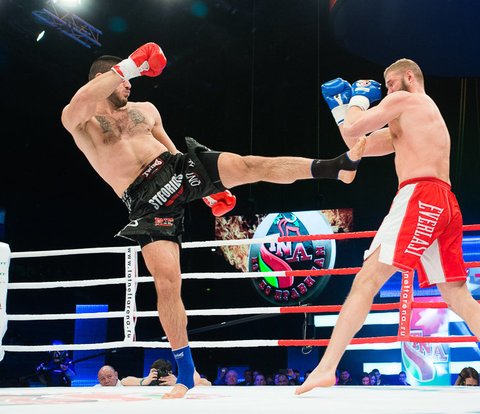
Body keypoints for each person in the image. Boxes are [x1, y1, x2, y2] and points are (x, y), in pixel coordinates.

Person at [61, 42, 364, 399]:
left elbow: (172, 150)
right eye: (125, 78)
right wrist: (129, 64)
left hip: (175, 169)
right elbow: (81, 101)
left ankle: (334, 167)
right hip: (145, 199)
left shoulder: (145, 109)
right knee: (167, 283)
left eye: (131, 78)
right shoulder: (80, 120)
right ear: (102, 78)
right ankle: (186, 372)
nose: (130, 84)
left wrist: (207, 193)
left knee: (248, 165)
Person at [296, 58, 480, 397]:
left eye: (390, 83)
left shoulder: (407, 100)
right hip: (444, 202)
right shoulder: (415, 119)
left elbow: (356, 125)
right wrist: (341, 108)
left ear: (408, 76)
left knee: (367, 280)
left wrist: (356, 100)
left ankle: (326, 368)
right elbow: (356, 143)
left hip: (420, 195)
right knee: (457, 295)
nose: (387, 91)